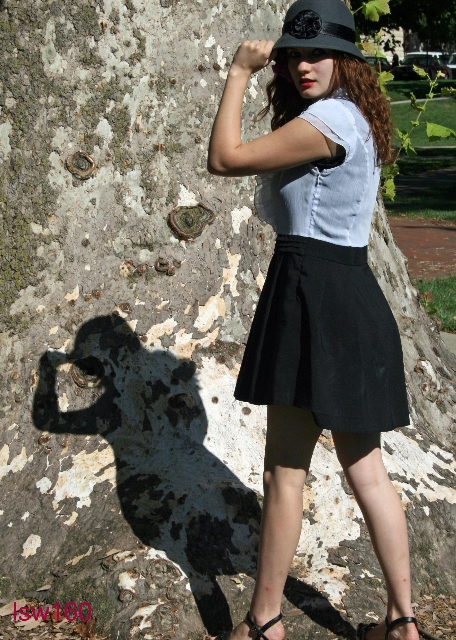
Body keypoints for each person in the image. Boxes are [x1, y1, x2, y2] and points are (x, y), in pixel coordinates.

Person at [207, 1, 419, 640]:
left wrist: (239, 74)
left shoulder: (327, 119)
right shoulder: (345, 116)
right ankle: (398, 622)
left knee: (312, 469)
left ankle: (270, 623)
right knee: (340, 468)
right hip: (331, 294)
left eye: (318, 53)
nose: (304, 65)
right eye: (294, 54)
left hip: (316, 296)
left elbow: (225, 159)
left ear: (345, 61)